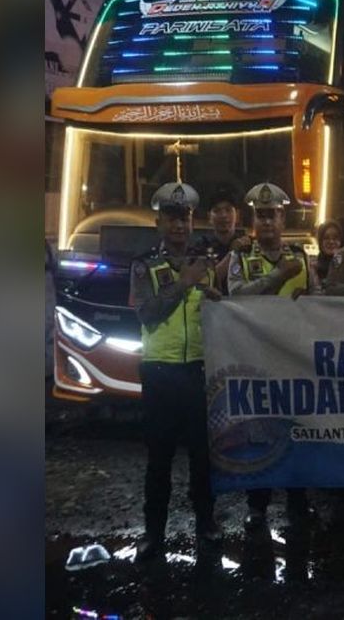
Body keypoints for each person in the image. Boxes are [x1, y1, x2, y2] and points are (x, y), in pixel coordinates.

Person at [128, 181, 223, 561]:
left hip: (199, 369)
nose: (180, 226)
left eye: (184, 218)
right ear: (159, 223)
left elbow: (219, 312)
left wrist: (216, 298)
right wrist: (185, 283)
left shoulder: (206, 262)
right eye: (172, 218)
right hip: (160, 372)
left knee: (203, 457)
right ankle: (154, 532)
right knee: (159, 459)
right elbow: (146, 314)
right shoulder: (144, 265)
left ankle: (206, 523)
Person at [229, 182, 319, 530]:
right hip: (255, 359)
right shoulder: (240, 257)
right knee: (259, 435)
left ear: (284, 219)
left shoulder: (301, 256)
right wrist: (279, 275)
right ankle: (258, 506)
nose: (267, 222)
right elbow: (236, 296)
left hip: (293, 359)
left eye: (273, 215)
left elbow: (319, 298)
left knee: (297, 432)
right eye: (261, 216)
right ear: (253, 220)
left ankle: (298, 502)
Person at [199, 186, 250, 295]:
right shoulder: (201, 246)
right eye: (217, 211)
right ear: (209, 217)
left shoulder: (248, 245)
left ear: (237, 215)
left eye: (228, 210)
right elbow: (204, 281)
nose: (223, 215)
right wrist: (232, 254)